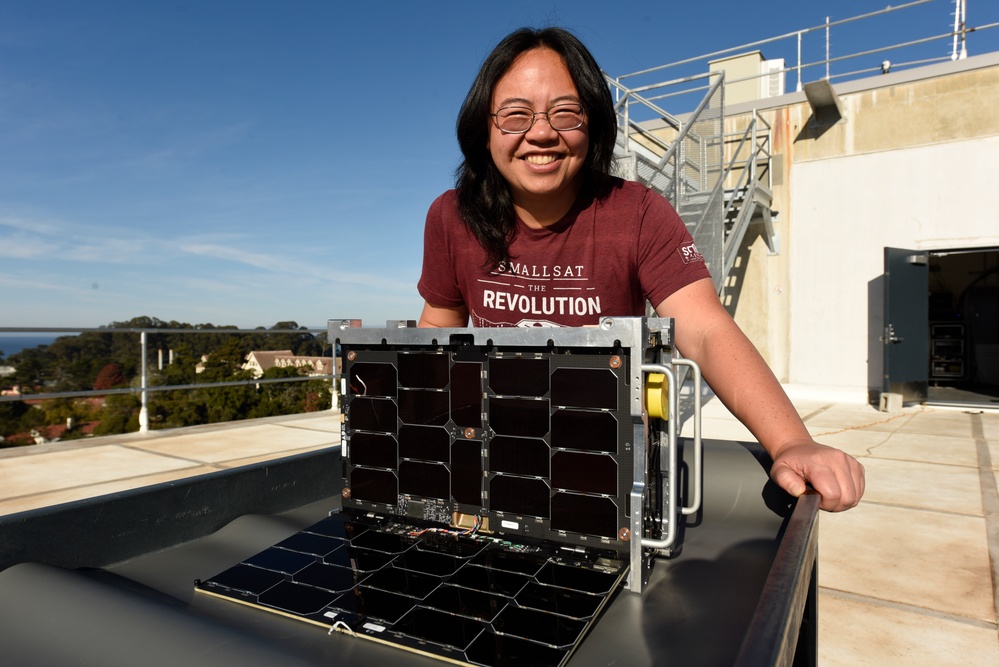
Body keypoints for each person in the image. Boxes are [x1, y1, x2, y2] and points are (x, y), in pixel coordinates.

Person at [417, 27, 865, 512]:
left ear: (593, 124)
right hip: (496, 461)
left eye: (565, 112)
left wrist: (790, 442)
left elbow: (705, 328)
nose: (541, 133)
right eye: (515, 115)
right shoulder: (452, 216)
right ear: (484, 129)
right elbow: (436, 335)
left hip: (607, 470)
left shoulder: (639, 213)